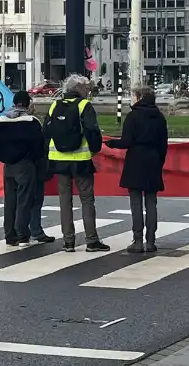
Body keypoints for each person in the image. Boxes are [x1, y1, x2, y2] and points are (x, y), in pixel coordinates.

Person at [46, 74, 109, 252]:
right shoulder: (84, 106)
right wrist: (95, 149)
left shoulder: (54, 105)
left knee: (64, 201)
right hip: (80, 160)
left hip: (58, 160)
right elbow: (92, 131)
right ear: (80, 89)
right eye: (87, 89)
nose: (89, 92)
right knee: (87, 200)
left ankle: (68, 242)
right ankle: (91, 240)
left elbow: (47, 131)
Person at [107, 85, 168, 253]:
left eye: (134, 96)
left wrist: (111, 143)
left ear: (139, 97)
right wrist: (159, 161)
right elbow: (164, 145)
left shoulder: (133, 116)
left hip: (135, 160)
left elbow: (126, 142)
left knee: (135, 202)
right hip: (153, 159)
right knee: (151, 202)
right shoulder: (160, 117)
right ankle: (151, 241)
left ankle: (137, 239)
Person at [0, 90, 48, 246]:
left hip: (8, 166)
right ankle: (23, 235)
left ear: (14, 103)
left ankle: (10, 236)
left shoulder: (1, 120)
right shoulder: (31, 121)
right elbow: (40, 145)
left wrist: (2, 154)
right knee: (24, 201)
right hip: (26, 165)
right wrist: (31, 157)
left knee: (10, 201)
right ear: (27, 104)